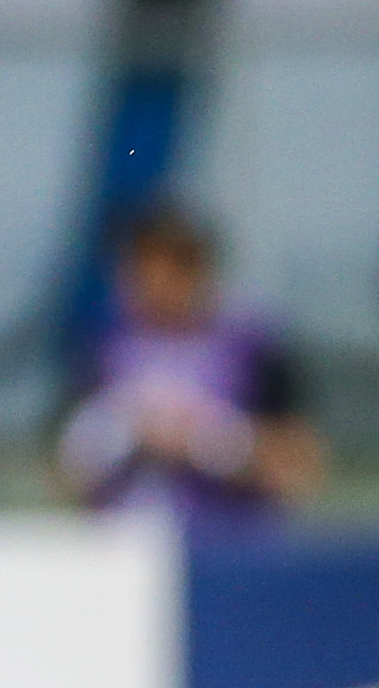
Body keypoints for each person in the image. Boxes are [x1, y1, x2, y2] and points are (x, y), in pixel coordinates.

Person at [53, 201, 324, 523]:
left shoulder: (252, 347)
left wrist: (208, 441)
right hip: (127, 548)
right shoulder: (101, 347)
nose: (157, 283)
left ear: (201, 270)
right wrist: (122, 434)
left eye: (174, 268)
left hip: (229, 545)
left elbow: (300, 465)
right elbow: (62, 471)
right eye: (144, 268)